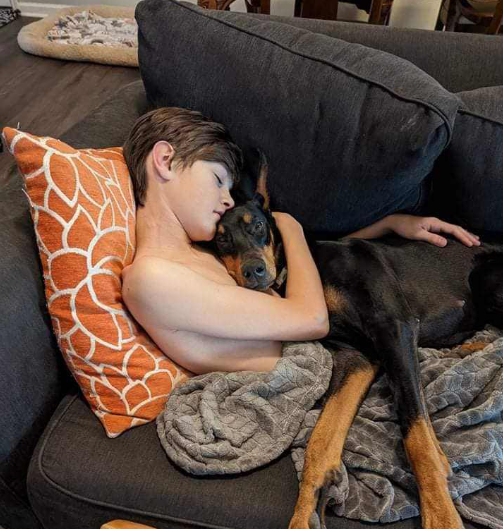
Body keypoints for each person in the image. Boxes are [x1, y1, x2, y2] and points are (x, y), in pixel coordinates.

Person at [121, 107, 481, 376]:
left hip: (355, 346)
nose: (228, 200)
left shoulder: (198, 248)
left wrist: (390, 223)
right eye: (218, 179)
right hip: (327, 366)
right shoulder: (151, 278)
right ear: (165, 160)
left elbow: (305, 271)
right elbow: (311, 316)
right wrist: (289, 225)